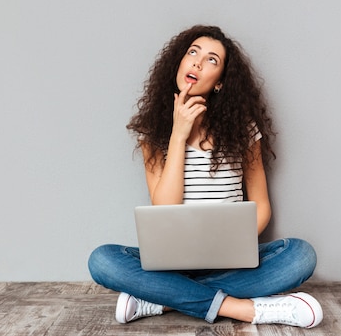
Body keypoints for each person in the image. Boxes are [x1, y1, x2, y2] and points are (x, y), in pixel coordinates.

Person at [87, 25, 323, 328]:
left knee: (301, 255)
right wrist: (178, 134)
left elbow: (261, 204)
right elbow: (165, 209)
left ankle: (162, 300)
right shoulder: (153, 135)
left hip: (231, 263)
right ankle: (246, 310)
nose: (198, 62)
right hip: (172, 267)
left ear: (220, 83)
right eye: (192, 53)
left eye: (212, 60)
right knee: (102, 260)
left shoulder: (243, 131)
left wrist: (233, 242)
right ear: (180, 63)